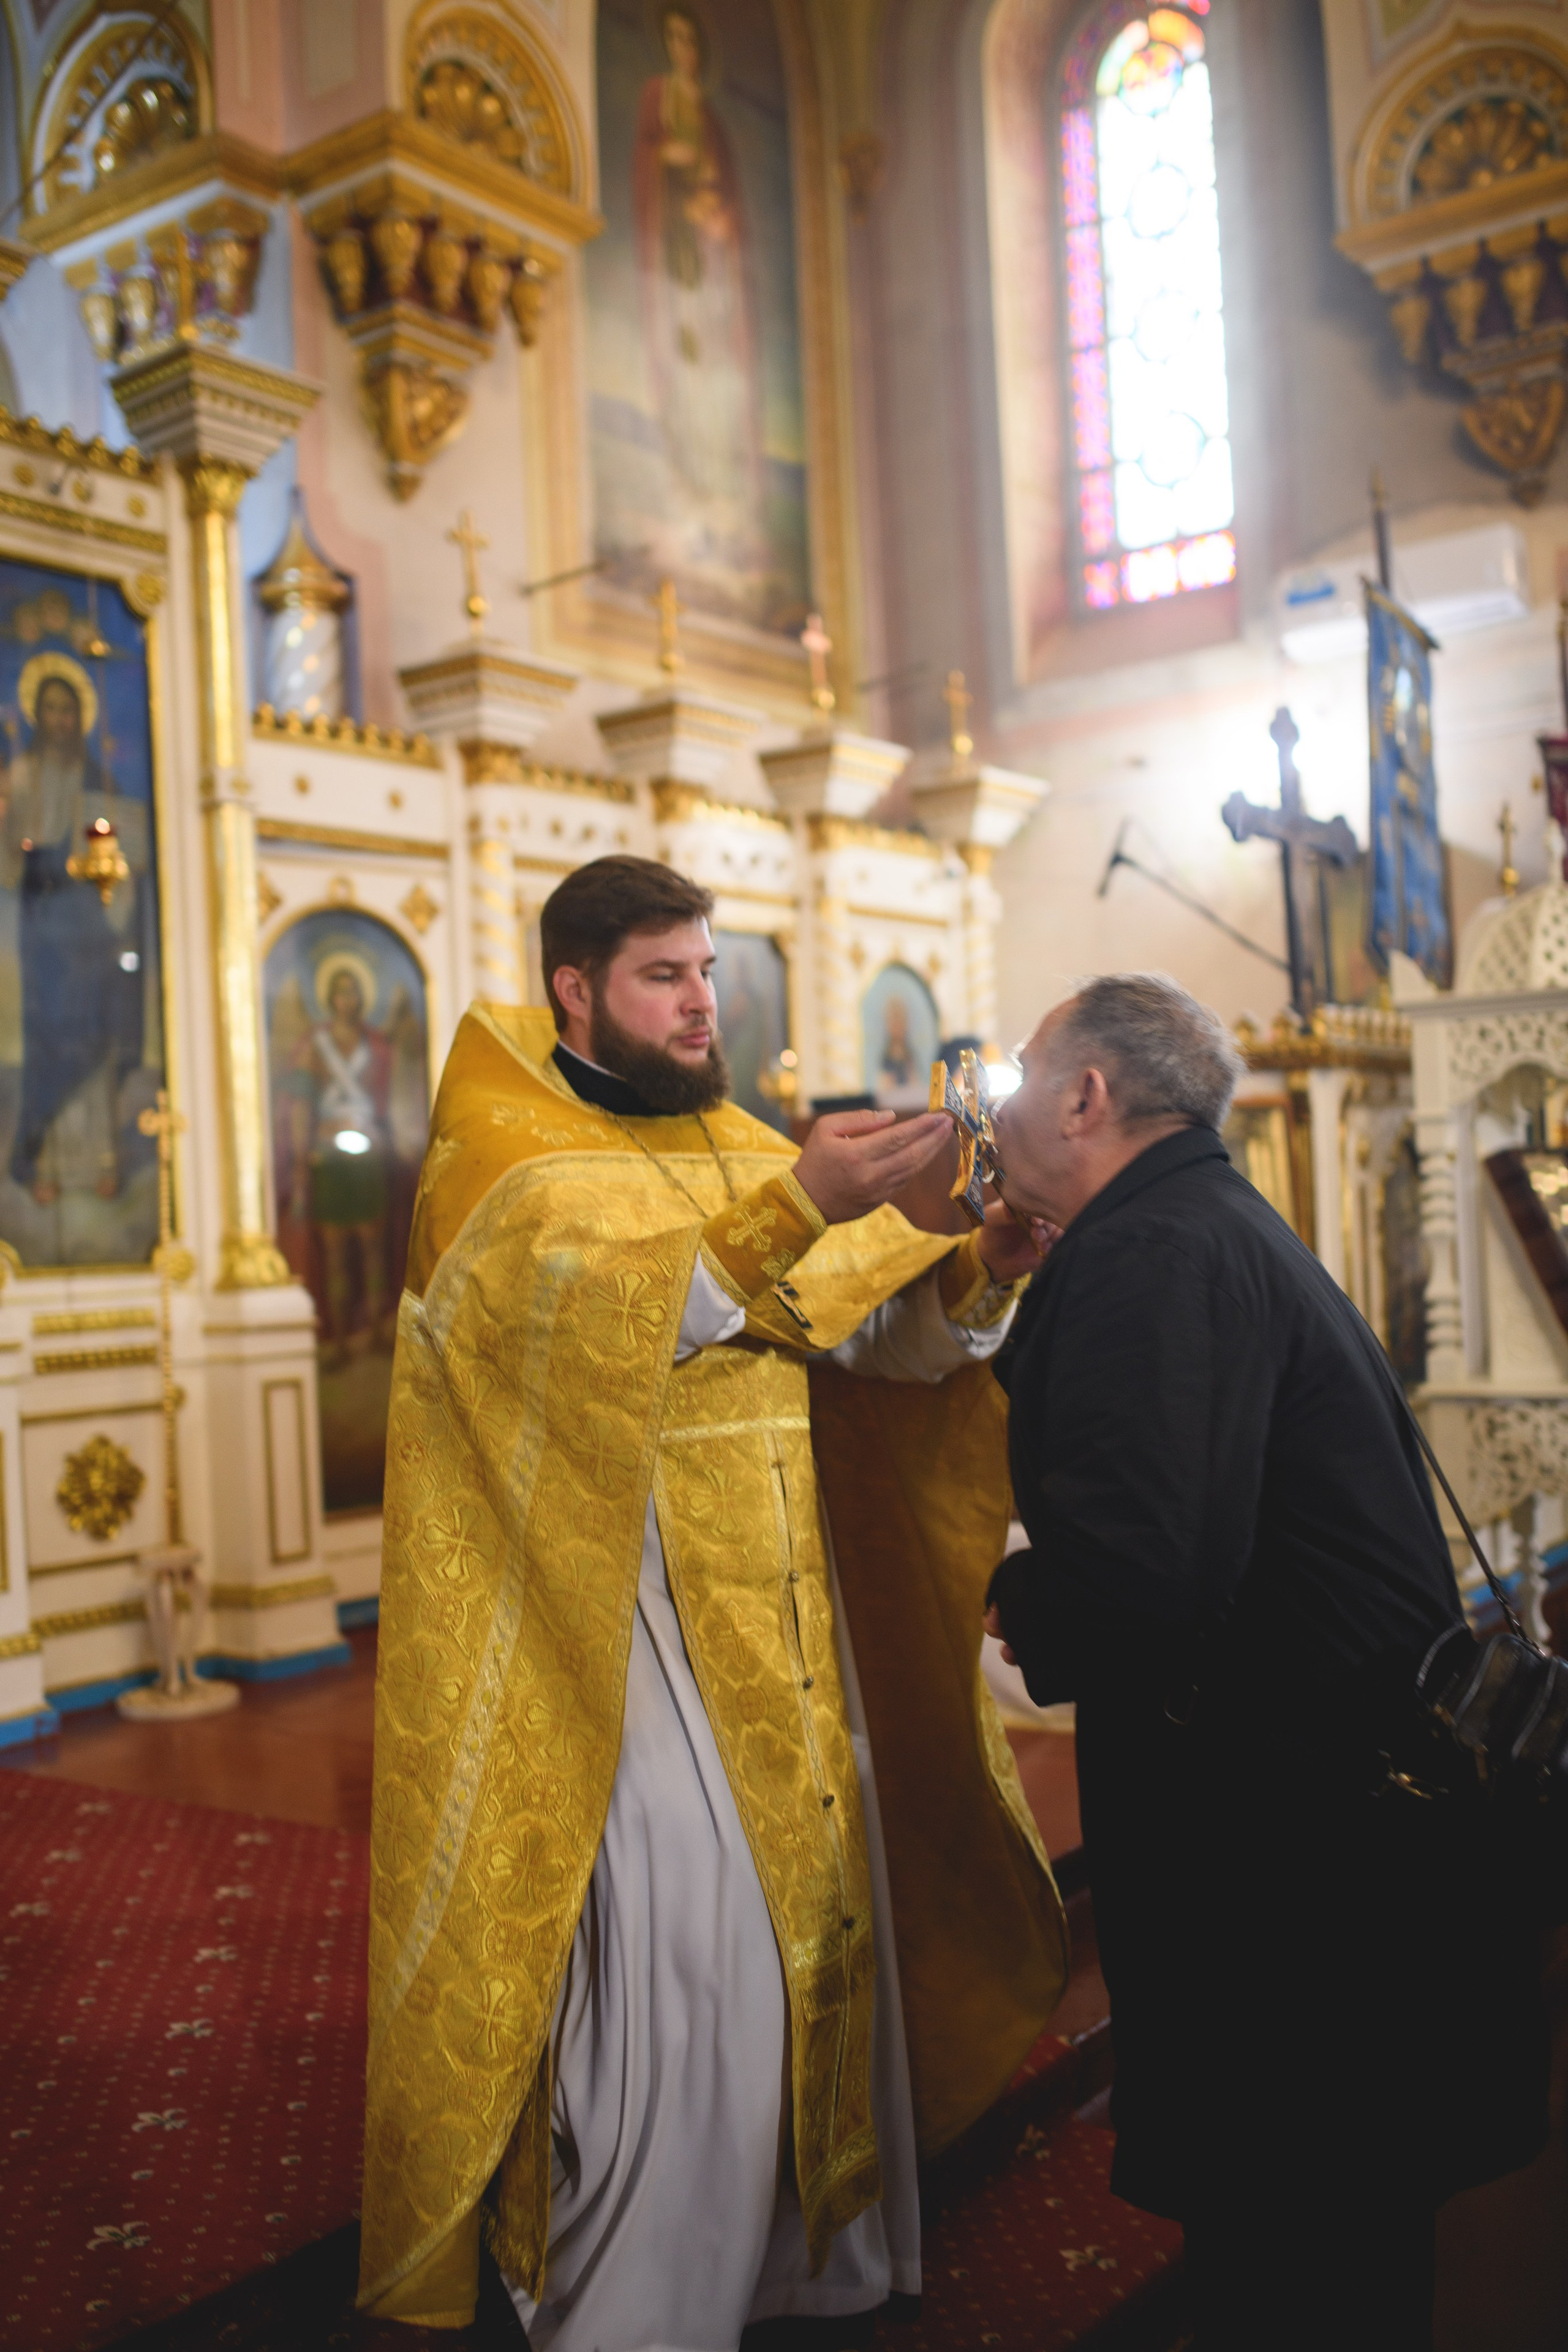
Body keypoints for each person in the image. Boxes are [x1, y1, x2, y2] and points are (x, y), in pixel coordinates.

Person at [358, 855, 1066, 2342]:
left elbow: (867, 1345)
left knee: (815, 1935)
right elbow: (581, 1327)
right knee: (695, 1971)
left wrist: (974, 1270)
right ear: (575, 988)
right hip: (606, 1629)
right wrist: (796, 1201)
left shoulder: (734, 1138)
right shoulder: (500, 1152)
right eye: (663, 976)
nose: (701, 1001)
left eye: (705, 970)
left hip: (782, 1622)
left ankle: (792, 2266)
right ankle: (630, 2304)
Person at [983, 973, 1548, 2352]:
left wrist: (1013, 1598)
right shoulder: (1198, 1220)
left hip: (1295, 1863)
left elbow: (1148, 1574)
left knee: (1302, 2252)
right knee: (1337, 2239)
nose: (995, 1108)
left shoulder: (1149, 1253)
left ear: (1083, 1096)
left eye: (1015, 1079)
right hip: (1345, 1841)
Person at [0, 664, 144, 1203]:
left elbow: (126, 858)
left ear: (82, 718)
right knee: (52, 1038)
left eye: (70, 710)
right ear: (39, 716)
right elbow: (9, 862)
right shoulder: (19, 777)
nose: (61, 721)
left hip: (91, 926)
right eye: (53, 710)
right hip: (44, 929)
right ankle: (44, 1163)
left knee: (93, 1037)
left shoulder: (100, 781)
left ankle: (99, 1161)